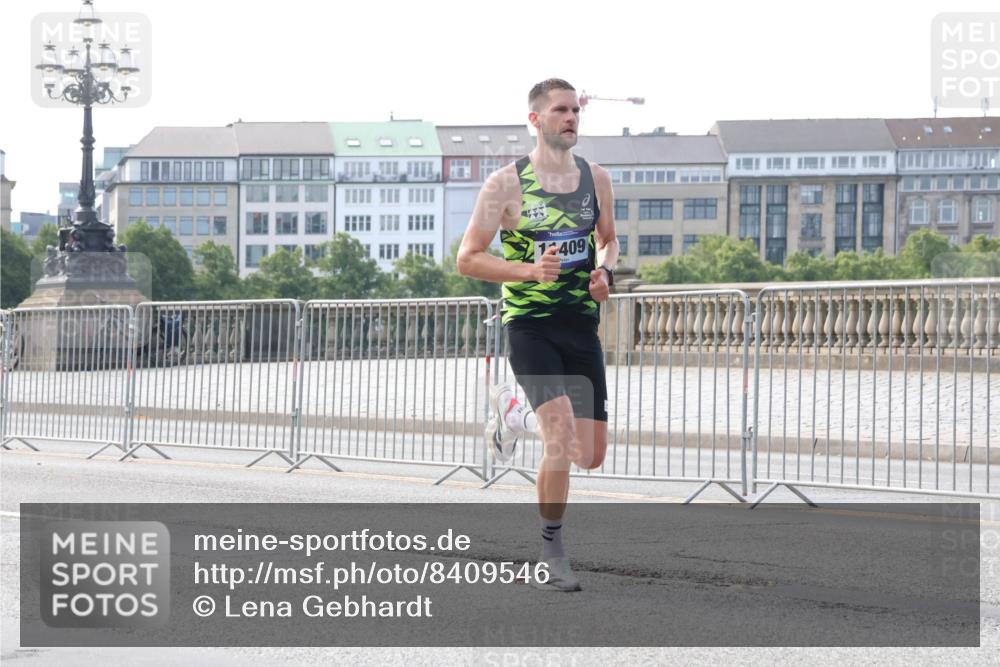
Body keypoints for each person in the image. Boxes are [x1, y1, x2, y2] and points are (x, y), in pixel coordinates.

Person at [456, 78, 619, 591]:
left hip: (579, 325)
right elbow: (468, 259)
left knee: (589, 454)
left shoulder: (597, 178)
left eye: (576, 110)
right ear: (536, 120)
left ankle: (514, 413)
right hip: (529, 327)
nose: (571, 118)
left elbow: (609, 241)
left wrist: (605, 274)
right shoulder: (505, 185)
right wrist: (529, 272)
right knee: (561, 438)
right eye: (560, 110)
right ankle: (551, 553)